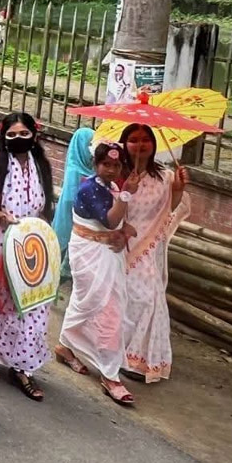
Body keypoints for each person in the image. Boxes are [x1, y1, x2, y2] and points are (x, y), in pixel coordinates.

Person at [0, 113, 55, 400]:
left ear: (34, 136)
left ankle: (22, 366)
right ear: (3, 136)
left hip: (31, 244)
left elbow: (45, 204)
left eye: (24, 135)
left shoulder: (40, 164)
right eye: (12, 135)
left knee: (30, 303)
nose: (18, 140)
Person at [55, 141, 137, 406]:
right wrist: (126, 195)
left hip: (107, 254)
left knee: (100, 305)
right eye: (106, 164)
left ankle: (65, 346)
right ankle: (109, 374)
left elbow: (118, 221)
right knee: (101, 306)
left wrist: (125, 227)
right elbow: (110, 221)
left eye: (116, 165)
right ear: (95, 164)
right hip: (90, 253)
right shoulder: (89, 188)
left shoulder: (111, 187)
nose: (111, 170)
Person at [118, 123, 189, 382]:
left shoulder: (165, 176)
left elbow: (169, 209)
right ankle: (118, 353)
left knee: (149, 299)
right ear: (125, 144)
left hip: (150, 248)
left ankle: (140, 360)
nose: (140, 145)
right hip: (122, 246)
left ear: (154, 143)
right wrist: (127, 189)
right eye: (133, 140)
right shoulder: (117, 173)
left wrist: (178, 188)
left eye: (145, 139)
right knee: (128, 299)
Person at [52, 127, 97, 276]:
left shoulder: (95, 171)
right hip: (72, 220)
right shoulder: (75, 170)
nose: (91, 150)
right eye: (89, 144)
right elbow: (70, 200)